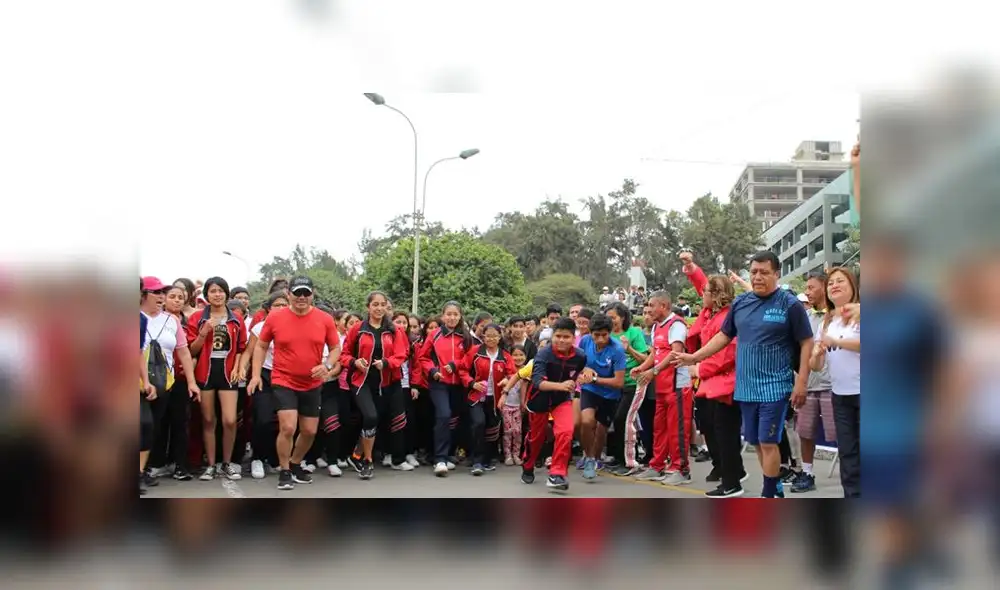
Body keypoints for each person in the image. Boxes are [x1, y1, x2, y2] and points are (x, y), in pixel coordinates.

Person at [671, 251, 813, 498]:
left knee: (768, 441)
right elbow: (723, 337)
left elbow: (807, 342)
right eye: (754, 272)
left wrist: (801, 382)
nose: (758, 277)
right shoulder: (741, 303)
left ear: (777, 274)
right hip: (745, 387)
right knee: (757, 442)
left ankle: (769, 493)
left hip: (775, 386)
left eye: (764, 272)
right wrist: (694, 358)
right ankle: (775, 487)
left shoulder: (789, 305)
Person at [248, 276, 341, 491]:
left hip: (312, 381)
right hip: (283, 379)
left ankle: (295, 462)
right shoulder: (275, 318)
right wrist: (255, 375)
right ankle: (284, 470)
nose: (301, 297)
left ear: (312, 294)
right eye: (297, 293)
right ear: (288, 293)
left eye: (306, 293)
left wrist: (326, 366)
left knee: (309, 431)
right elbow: (261, 347)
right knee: (288, 426)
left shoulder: (324, 319)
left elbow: (336, 348)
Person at [680, 252, 745, 498]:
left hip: (725, 382)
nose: (702, 294)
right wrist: (690, 266)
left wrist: (697, 368)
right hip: (713, 381)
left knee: (725, 432)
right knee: (715, 429)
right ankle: (730, 474)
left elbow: (726, 354)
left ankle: (731, 481)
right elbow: (701, 284)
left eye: (707, 292)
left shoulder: (726, 317)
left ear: (716, 295)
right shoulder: (712, 313)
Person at [339, 291, 412, 479]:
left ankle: (356, 454)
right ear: (368, 307)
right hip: (361, 381)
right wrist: (355, 362)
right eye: (375, 305)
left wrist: (387, 363)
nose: (379, 308)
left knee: (378, 419)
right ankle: (368, 461)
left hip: (388, 382)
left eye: (382, 305)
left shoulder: (395, 330)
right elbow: (344, 354)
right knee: (370, 416)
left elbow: (402, 354)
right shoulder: (357, 329)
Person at [186, 277, 248, 481]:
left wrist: (239, 368)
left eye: (221, 291)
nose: (217, 294)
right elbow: (191, 350)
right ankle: (211, 464)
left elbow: (241, 348)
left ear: (227, 294)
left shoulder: (236, 319)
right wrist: (203, 333)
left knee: (230, 420)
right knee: (208, 419)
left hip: (227, 371)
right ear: (206, 295)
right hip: (205, 371)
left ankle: (227, 463)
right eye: (213, 291)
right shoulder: (197, 318)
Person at [631, 291, 694, 486]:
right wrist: (643, 367)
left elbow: (676, 353)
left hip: (677, 385)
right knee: (660, 428)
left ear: (664, 306)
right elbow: (655, 352)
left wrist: (654, 371)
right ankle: (657, 466)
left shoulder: (676, 325)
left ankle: (681, 469)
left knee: (677, 429)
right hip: (662, 385)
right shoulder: (657, 326)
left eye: (652, 305)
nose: (648, 309)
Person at [810, 267, 861, 498]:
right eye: (830, 283)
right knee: (847, 454)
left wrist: (835, 340)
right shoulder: (826, 323)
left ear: (853, 286)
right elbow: (816, 366)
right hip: (839, 395)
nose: (834, 285)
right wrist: (818, 353)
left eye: (840, 281)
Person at [522, 318, 587, 491]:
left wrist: (586, 375)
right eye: (558, 336)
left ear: (573, 338)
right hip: (539, 400)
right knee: (537, 438)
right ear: (552, 336)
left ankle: (556, 473)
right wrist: (561, 385)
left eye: (566, 337)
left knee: (566, 431)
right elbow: (537, 382)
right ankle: (528, 465)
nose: (561, 340)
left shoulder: (580, 356)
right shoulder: (544, 354)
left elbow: (580, 371)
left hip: (562, 400)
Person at [791, 271, 837, 493]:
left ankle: (855, 474)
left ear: (825, 287)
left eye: (812, 287)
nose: (807, 292)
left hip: (833, 386)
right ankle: (807, 472)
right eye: (806, 288)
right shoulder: (806, 318)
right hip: (808, 385)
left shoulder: (839, 315)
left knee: (841, 433)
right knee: (805, 432)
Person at [418, 301, 474, 476]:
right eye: (448, 314)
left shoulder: (466, 337)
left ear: (460, 316)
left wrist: (456, 364)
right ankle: (440, 458)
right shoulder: (434, 334)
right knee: (443, 414)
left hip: (459, 384)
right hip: (439, 383)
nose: (451, 317)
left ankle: (449, 454)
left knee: (454, 419)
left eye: (455, 314)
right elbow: (422, 357)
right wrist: (433, 370)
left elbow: (470, 358)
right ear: (442, 316)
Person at [240, 291, 288, 479]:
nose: (281, 309)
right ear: (268, 309)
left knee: (285, 422)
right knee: (263, 418)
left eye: (285, 305)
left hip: (288, 377)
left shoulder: (295, 325)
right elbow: (249, 352)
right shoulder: (260, 327)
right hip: (265, 376)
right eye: (277, 305)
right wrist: (244, 370)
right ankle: (257, 458)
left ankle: (276, 458)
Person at [462, 323, 518, 475]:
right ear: (483, 337)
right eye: (488, 335)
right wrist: (472, 383)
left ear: (500, 337)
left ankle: (488, 458)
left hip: (496, 398)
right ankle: (477, 461)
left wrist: (507, 380)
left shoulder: (505, 355)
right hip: (476, 397)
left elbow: (512, 374)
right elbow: (462, 370)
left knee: (492, 428)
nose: (491, 338)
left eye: (495, 335)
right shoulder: (475, 352)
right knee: (478, 423)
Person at [577, 313, 627, 481]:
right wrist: (585, 371)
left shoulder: (617, 349)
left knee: (601, 429)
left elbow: (619, 382)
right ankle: (589, 458)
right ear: (590, 333)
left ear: (610, 333)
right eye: (596, 335)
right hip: (590, 389)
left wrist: (596, 378)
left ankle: (595, 458)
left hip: (610, 393)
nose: (600, 339)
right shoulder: (584, 341)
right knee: (586, 421)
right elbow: (579, 363)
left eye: (604, 335)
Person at [604, 302, 650, 475]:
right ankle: (617, 456)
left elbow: (645, 359)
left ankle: (630, 461)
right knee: (614, 420)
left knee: (624, 418)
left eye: (613, 317)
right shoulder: (607, 336)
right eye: (608, 317)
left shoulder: (634, 333)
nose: (610, 320)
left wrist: (628, 348)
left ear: (622, 317)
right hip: (614, 384)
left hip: (632, 383)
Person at [499, 345, 529, 466]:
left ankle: (516, 454)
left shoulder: (526, 371)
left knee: (517, 431)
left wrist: (523, 403)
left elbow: (524, 389)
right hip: (506, 405)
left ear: (526, 356)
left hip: (517, 406)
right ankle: (507, 455)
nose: (518, 357)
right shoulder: (507, 370)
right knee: (507, 431)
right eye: (515, 355)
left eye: (521, 355)